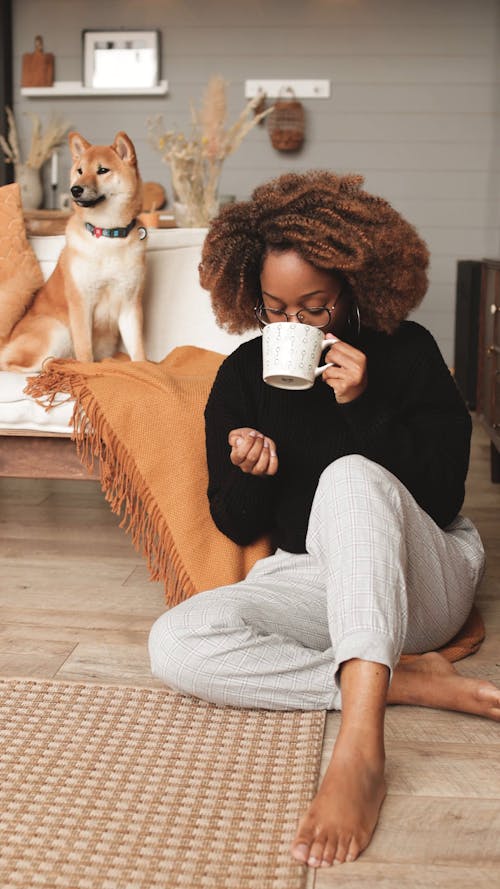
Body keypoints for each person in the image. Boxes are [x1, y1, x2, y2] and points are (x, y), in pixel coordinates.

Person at [149, 171, 499, 869]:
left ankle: (361, 748)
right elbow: (233, 520)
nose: (293, 327)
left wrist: (362, 405)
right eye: (275, 310)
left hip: (421, 575)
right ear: (251, 297)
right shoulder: (244, 377)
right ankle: (398, 678)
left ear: (352, 288)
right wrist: (251, 472)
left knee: (349, 477)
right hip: (313, 575)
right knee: (176, 642)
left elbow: (440, 497)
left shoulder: (410, 352)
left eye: (314, 307)